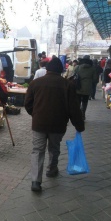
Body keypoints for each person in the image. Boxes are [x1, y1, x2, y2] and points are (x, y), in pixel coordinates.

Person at [24, 57, 85, 192]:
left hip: (39, 123)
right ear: (60, 70)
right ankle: (51, 170)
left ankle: (35, 181)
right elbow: (74, 109)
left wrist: (35, 114)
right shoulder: (67, 85)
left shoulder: (35, 83)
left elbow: (27, 104)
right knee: (54, 148)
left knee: (37, 151)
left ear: (47, 69)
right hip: (58, 124)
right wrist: (79, 125)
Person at [75, 55, 97, 120]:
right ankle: (83, 114)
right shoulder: (92, 68)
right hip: (87, 88)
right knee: (85, 102)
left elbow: (73, 76)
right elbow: (95, 79)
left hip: (78, 87)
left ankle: (77, 115)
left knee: (77, 102)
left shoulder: (77, 67)